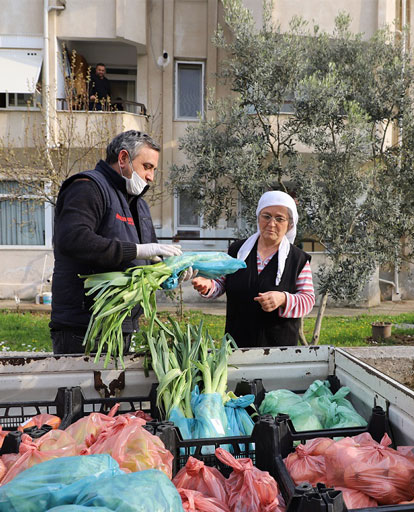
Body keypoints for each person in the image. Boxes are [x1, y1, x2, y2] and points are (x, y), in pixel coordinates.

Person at [50, 130, 182, 355]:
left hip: (121, 323)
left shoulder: (139, 205)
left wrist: (171, 271)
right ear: (123, 159)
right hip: (85, 324)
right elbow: (73, 239)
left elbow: (151, 257)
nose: (151, 177)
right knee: (83, 390)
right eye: (147, 167)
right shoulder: (87, 187)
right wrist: (137, 250)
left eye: (154, 170)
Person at [192, 191, 315, 347]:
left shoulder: (298, 259)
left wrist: (283, 299)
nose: (271, 223)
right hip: (237, 345)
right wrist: (207, 285)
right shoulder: (237, 251)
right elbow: (220, 283)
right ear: (258, 217)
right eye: (266, 216)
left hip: (278, 349)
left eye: (279, 218)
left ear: (290, 225)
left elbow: (308, 300)